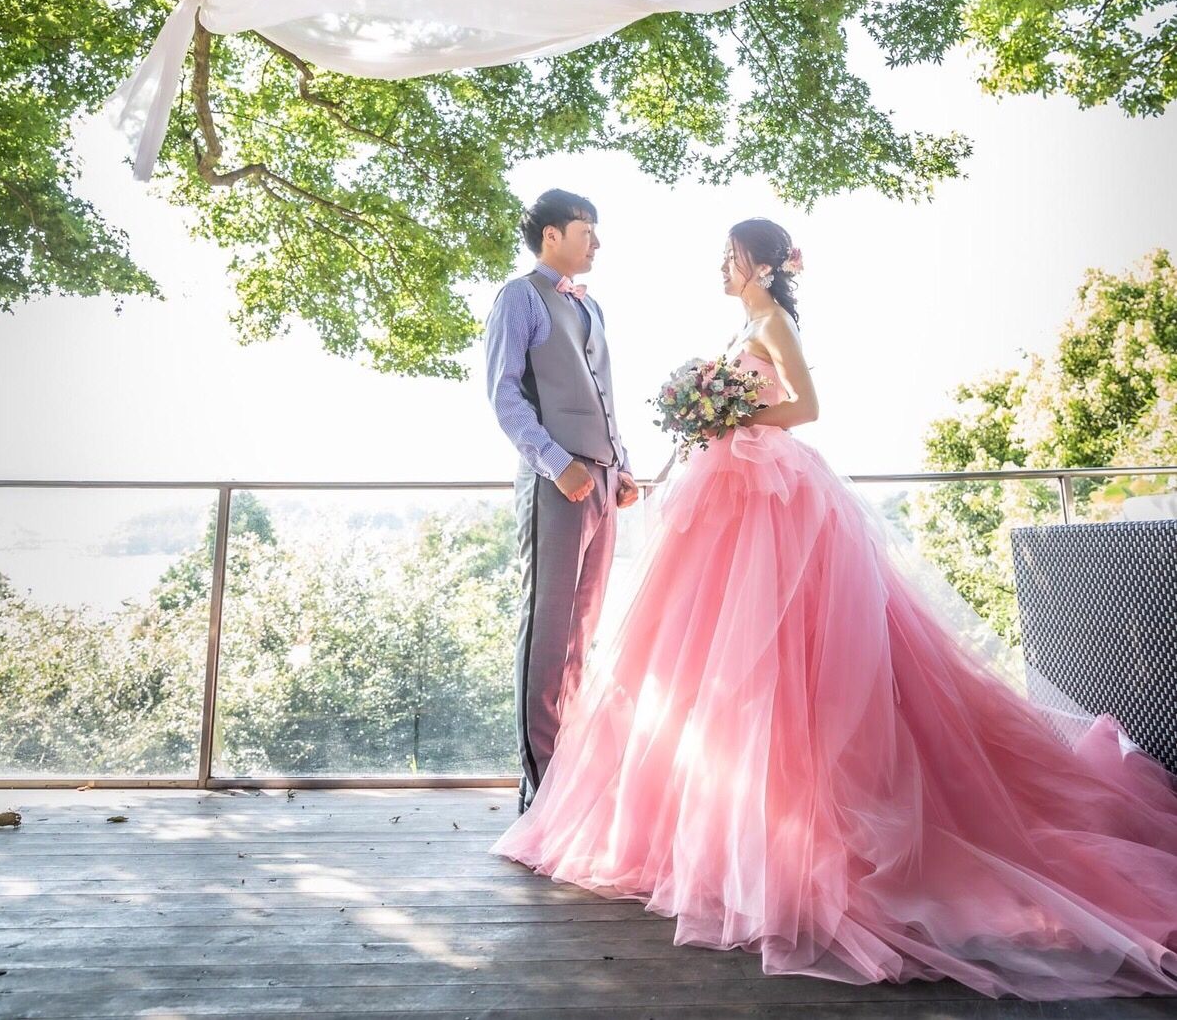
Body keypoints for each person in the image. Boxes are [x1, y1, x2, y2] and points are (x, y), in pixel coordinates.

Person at [491, 218, 1177, 1000]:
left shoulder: (772, 322)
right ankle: (731, 821)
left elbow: (807, 406)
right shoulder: (745, 324)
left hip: (773, 492)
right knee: (717, 662)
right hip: (730, 489)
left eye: (730, 256)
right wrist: (714, 416)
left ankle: (799, 829)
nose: (722, 266)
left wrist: (732, 415)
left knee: (783, 657)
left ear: (759, 264)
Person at [485, 189, 640, 815]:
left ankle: (568, 774)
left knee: (582, 631)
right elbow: (504, 397)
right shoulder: (519, 297)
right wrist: (557, 464)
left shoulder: (591, 305)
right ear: (552, 235)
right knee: (547, 631)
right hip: (557, 482)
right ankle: (539, 790)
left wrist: (621, 467)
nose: (596, 242)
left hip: (601, 480)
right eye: (586, 230)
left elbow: (603, 395)